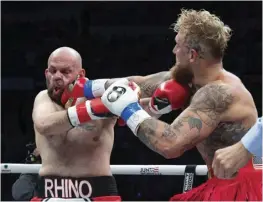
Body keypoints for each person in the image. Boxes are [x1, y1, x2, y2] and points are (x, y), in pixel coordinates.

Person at [99, 9, 262, 201]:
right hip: (220, 182)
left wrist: (129, 110)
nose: (173, 51)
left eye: (177, 46)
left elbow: (170, 144)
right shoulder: (191, 80)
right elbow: (138, 83)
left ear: (192, 55)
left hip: (244, 188)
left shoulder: (218, 93)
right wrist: (84, 88)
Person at [31, 46, 174, 201]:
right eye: (53, 71)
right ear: (46, 74)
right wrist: (91, 110)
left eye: (65, 72)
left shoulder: (104, 96)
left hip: (97, 193)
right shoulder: (43, 98)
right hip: (48, 193)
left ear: (81, 75)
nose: (57, 77)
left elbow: (140, 85)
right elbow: (44, 124)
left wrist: (180, 77)